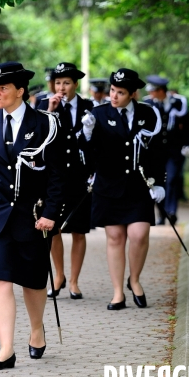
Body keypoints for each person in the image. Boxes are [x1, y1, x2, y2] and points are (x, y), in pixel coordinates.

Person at [0, 61, 64, 370]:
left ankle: (36, 330)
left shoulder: (47, 124)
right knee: (0, 280)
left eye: (3, 88)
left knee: (33, 282)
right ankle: (6, 348)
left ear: (20, 91)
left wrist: (51, 214)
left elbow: (58, 177)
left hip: (32, 217)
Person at [79, 68, 165, 310]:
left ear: (133, 94)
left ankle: (134, 279)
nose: (114, 96)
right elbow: (88, 153)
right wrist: (86, 134)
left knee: (139, 235)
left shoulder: (148, 114)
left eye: (120, 92)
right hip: (108, 186)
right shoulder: (98, 114)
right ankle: (117, 292)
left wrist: (160, 182)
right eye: (112, 91)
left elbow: (158, 152)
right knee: (115, 238)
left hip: (138, 187)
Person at [35, 62, 94, 300]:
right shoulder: (43, 105)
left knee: (79, 231)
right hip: (54, 179)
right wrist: (50, 111)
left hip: (79, 178)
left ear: (75, 84)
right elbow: (39, 139)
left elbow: (94, 145)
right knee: (55, 229)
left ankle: (74, 281)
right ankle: (58, 275)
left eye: (66, 83)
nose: (62, 87)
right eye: (58, 83)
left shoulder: (89, 107)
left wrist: (89, 134)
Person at [144, 75, 189, 225]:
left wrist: (188, 145)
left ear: (160, 91)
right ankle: (161, 214)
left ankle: (171, 211)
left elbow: (188, 126)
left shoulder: (178, 102)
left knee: (171, 179)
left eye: (153, 90)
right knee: (159, 182)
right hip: (156, 153)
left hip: (174, 151)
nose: (151, 93)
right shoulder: (148, 103)